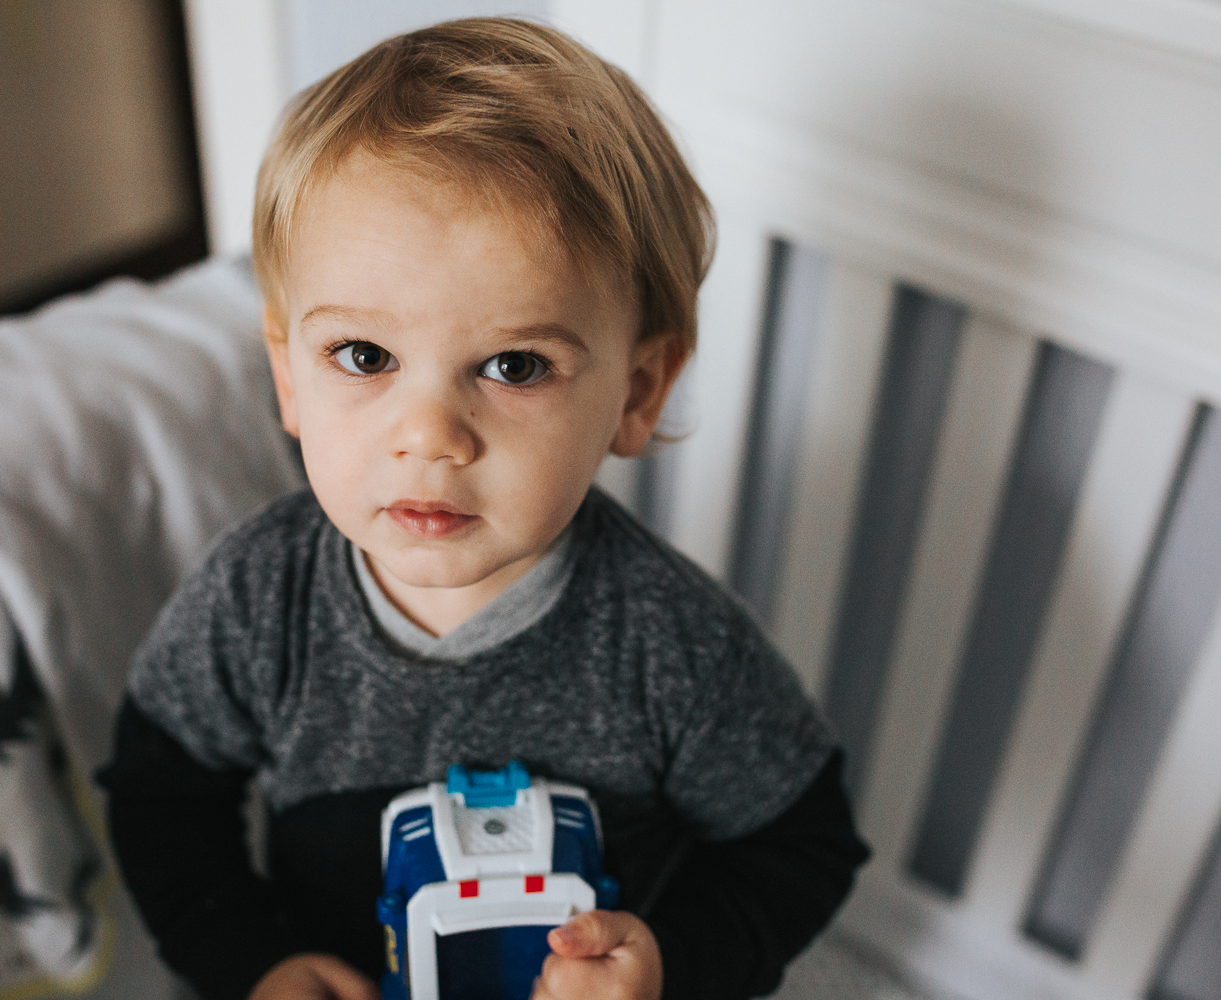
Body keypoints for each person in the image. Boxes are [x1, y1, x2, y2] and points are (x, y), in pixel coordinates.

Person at [99, 17, 868, 1000]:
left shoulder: (672, 642)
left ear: (637, 392)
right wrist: (253, 961)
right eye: (364, 356)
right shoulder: (258, 600)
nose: (430, 436)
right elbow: (162, 795)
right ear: (287, 372)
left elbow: (804, 844)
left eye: (513, 366)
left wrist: (671, 963)